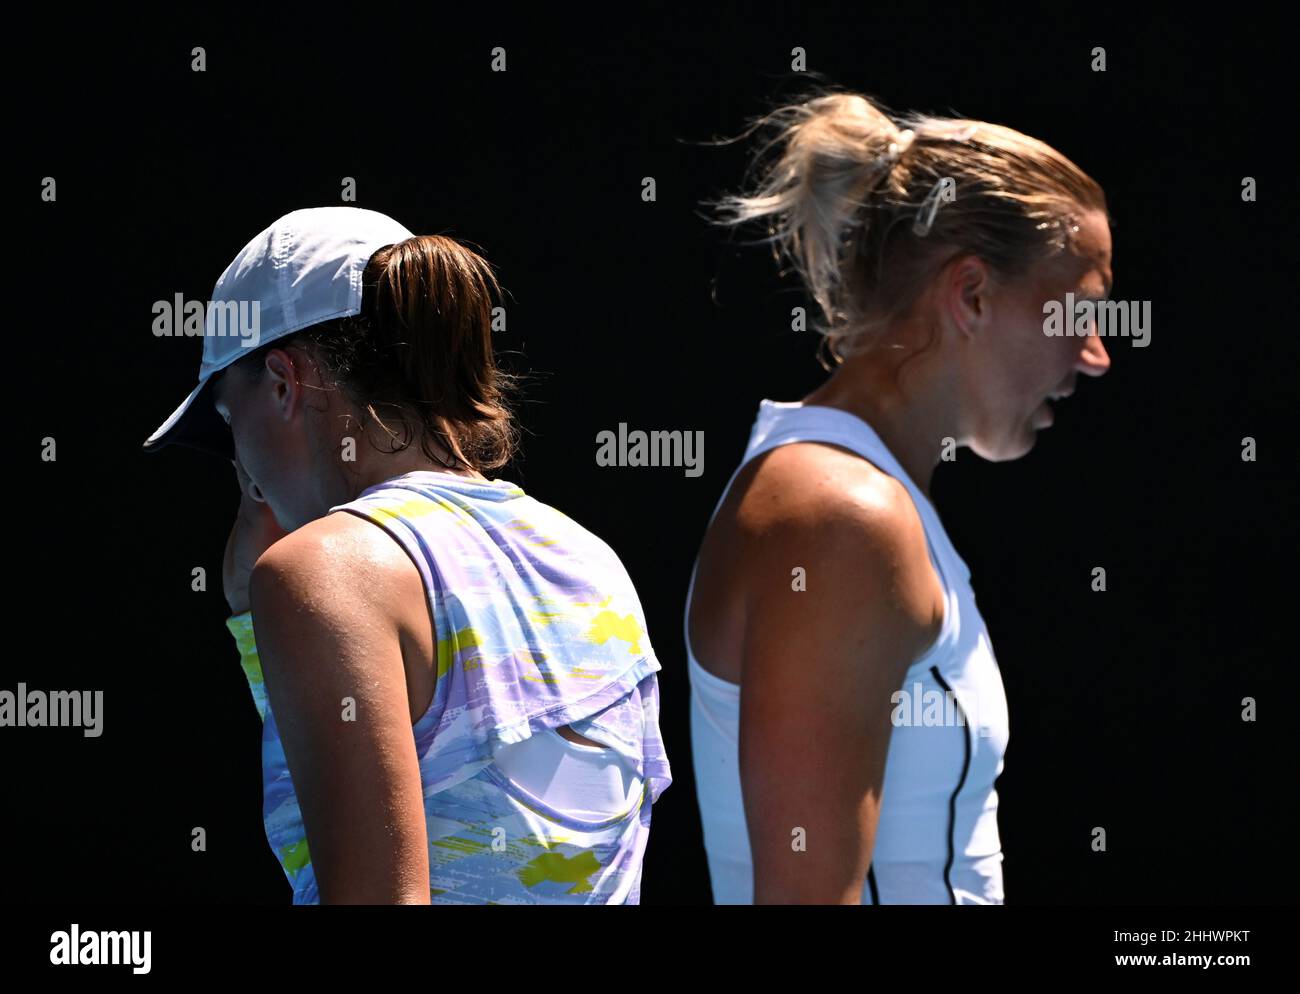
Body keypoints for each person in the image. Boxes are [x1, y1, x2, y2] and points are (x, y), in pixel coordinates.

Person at [144, 207, 671, 904]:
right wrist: (256, 628)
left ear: (281, 383)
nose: (238, 462)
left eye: (224, 419)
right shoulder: (591, 559)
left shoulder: (317, 572)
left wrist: (281, 589)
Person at [685, 90, 1113, 904]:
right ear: (973, 294)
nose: (1096, 357)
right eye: (1079, 314)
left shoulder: (864, 500)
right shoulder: (839, 516)